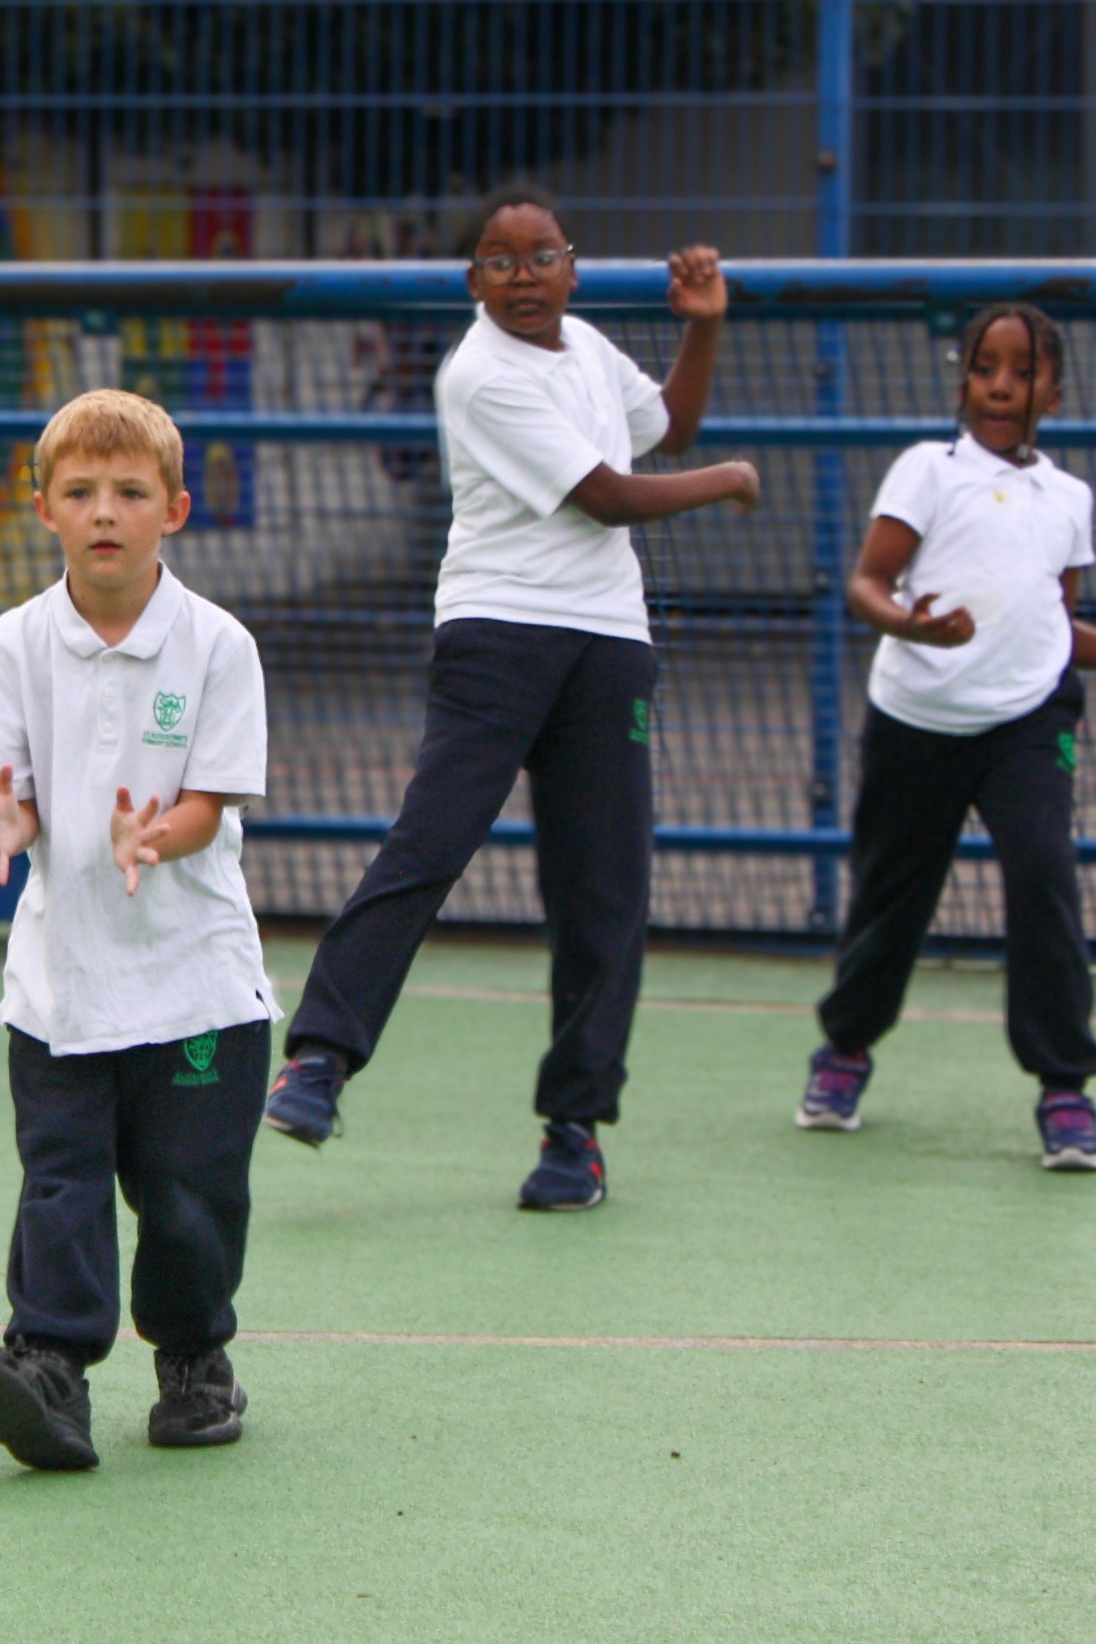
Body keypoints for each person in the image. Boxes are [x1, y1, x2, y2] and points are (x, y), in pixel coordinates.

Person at [261, 186, 760, 1211]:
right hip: (497, 636)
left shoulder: (584, 348)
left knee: (604, 891)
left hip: (609, 647)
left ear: (570, 268)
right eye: (500, 260)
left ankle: (573, 1134)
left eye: (542, 258)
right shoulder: (479, 375)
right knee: (430, 843)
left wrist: (701, 331)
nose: (524, 277)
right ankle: (317, 1060)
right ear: (473, 280)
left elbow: (667, 424)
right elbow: (609, 494)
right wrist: (729, 480)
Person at [796, 302, 1096, 1171]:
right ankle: (844, 1049)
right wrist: (908, 628)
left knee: (1043, 874)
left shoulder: (1069, 498)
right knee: (890, 895)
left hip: (1029, 720)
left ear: (1051, 392)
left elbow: (1053, 625)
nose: (999, 384)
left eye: (1020, 370)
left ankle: (1064, 1087)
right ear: (964, 382)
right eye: (985, 367)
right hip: (915, 719)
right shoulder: (927, 471)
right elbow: (869, 584)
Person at [0, 388, 281, 1472]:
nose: (105, 512)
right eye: (80, 492)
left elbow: (209, 802)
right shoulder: (12, 646)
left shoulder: (219, 647)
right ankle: (49, 1366)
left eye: (130, 493)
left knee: (188, 1195)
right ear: (44, 508)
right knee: (62, 1181)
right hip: (61, 988)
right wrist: (17, 818)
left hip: (197, 988)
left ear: (174, 509)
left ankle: (194, 1361)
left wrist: (156, 835)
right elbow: (18, 790)